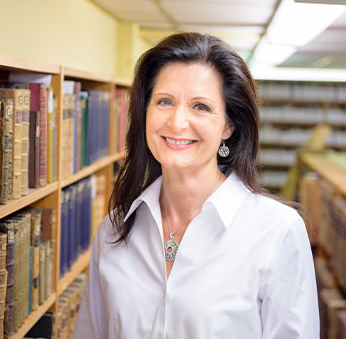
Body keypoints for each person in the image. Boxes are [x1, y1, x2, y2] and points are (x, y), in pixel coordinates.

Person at [73, 32, 319, 338]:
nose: (177, 122)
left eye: (200, 107)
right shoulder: (113, 230)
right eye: (164, 101)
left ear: (229, 126)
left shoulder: (277, 232)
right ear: (145, 113)